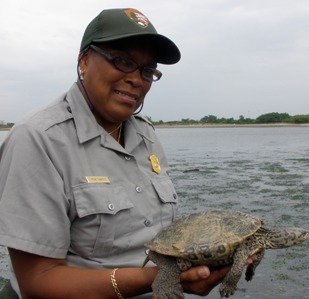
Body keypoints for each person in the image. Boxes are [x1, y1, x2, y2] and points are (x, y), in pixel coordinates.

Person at [0, 8, 253, 299]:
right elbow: (37, 280)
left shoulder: (147, 135)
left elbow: (165, 242)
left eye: (147, 70)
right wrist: (156, 279)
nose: (137, 79)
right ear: (84, 61)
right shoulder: (38, 139)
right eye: (123, 61)